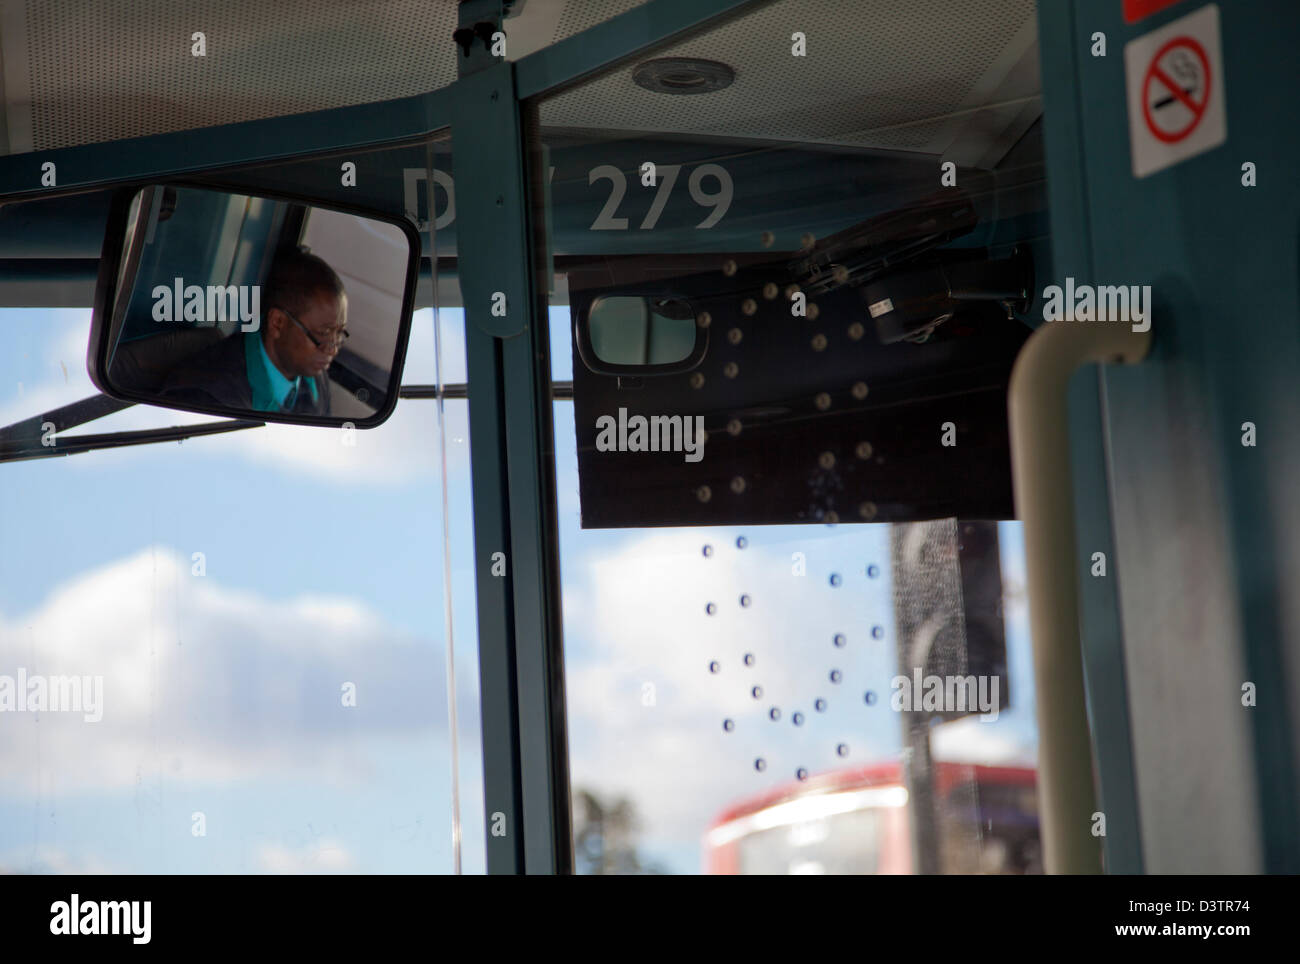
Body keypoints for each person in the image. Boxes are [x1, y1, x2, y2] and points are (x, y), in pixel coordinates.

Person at [158, 249, 347, 415]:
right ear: (277, 323)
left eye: (339, 334)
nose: (332, 350)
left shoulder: (314, 378)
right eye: (323, 333)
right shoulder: (207, 396)